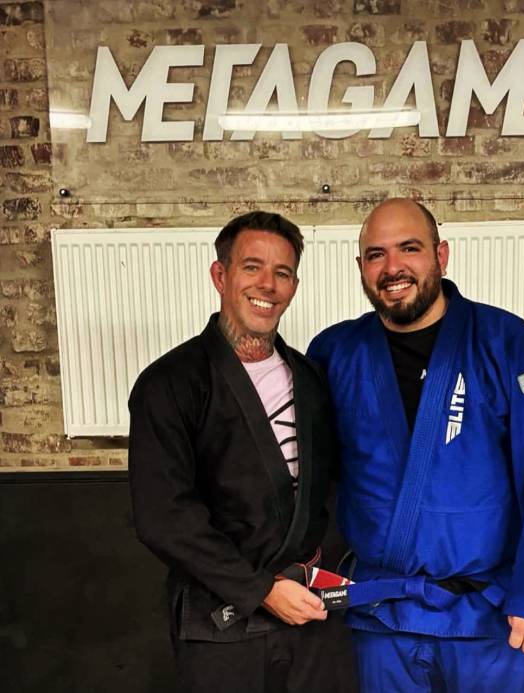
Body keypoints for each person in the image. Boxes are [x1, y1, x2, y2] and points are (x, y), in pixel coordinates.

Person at [307, 198, 524, 693]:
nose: (392, 267)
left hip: (489, 613)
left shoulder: (512, 344)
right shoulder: (335, 351)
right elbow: (313, 473)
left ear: (441, 255)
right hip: (382, 612)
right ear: (360, 267)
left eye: (409, 248)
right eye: (376, 254)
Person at [128, 211, 354, 693]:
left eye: (283, 272)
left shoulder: (311, 379)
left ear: (294, 286)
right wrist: (261, 590)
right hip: (221, 620)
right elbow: (163, 516)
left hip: (309, 614)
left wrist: (327, 576)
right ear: (220, 275)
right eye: (252, 267)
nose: (267, 284)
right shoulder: (169, 383)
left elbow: (330, 489)